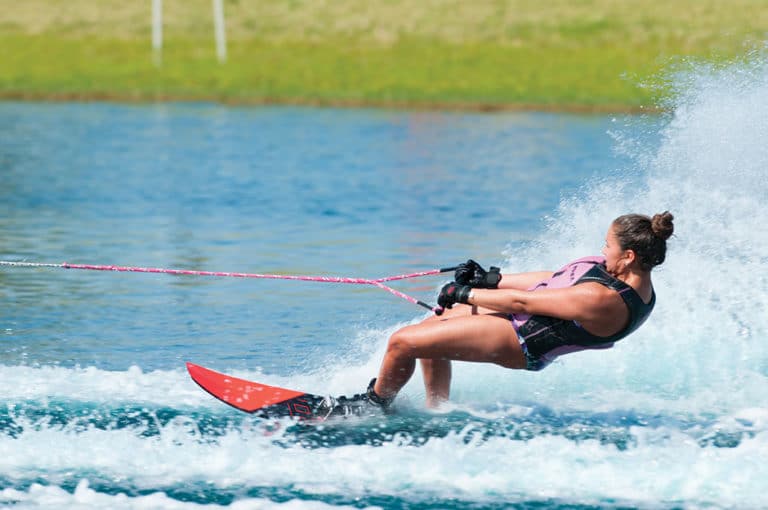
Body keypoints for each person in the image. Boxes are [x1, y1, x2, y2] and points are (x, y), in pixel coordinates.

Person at [337, 211, 674, 412]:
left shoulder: (603, 300)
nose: (603, 249)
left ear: (629, 255)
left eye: (608, 245)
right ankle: (436, 413)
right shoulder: (614, 270)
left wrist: (468, 293)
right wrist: (491, 279)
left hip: (521, 341)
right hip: (518, 320)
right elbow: (554, 279)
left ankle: (372, 406)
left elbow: (522, 304)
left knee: (402, 342)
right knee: (432, 328)